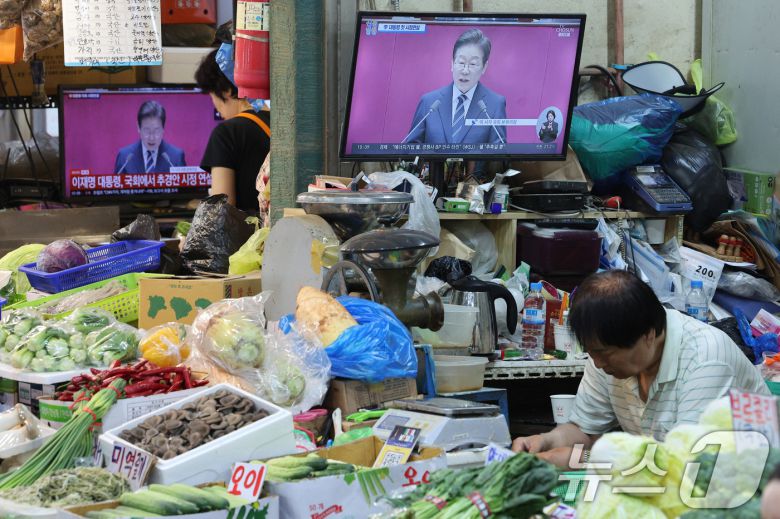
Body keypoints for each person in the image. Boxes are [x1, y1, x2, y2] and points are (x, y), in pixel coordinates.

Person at [512, 270, 768, 467]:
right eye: (592, 353)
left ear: (648, 334)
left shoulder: (707, 358)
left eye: (605, 353)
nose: (598, 364)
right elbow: (583, 430)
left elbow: (683, 463)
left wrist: (582, 458)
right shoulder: (605, 356)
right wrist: (546, 441)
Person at [195, 48, 270, 215]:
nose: (214, 104)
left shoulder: (226, 134)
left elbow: (220, 212)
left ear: (226, 91)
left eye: (212, 95)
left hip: (249, 240)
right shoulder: (284, 125)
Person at [405, 28, 506, 145]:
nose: (465, 70)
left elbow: (499, 154)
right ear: (452, 63)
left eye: (473, 64)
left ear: (484, 67)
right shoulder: (429, 102)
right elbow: (411, 148)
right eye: (461, 62)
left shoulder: (495, 104)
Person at [114, 101, 186, 174]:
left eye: (156, 131)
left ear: (163, 129)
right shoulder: (125, 157)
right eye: (147, 130)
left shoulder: (176, 157)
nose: (152, 138)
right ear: (138, 127)